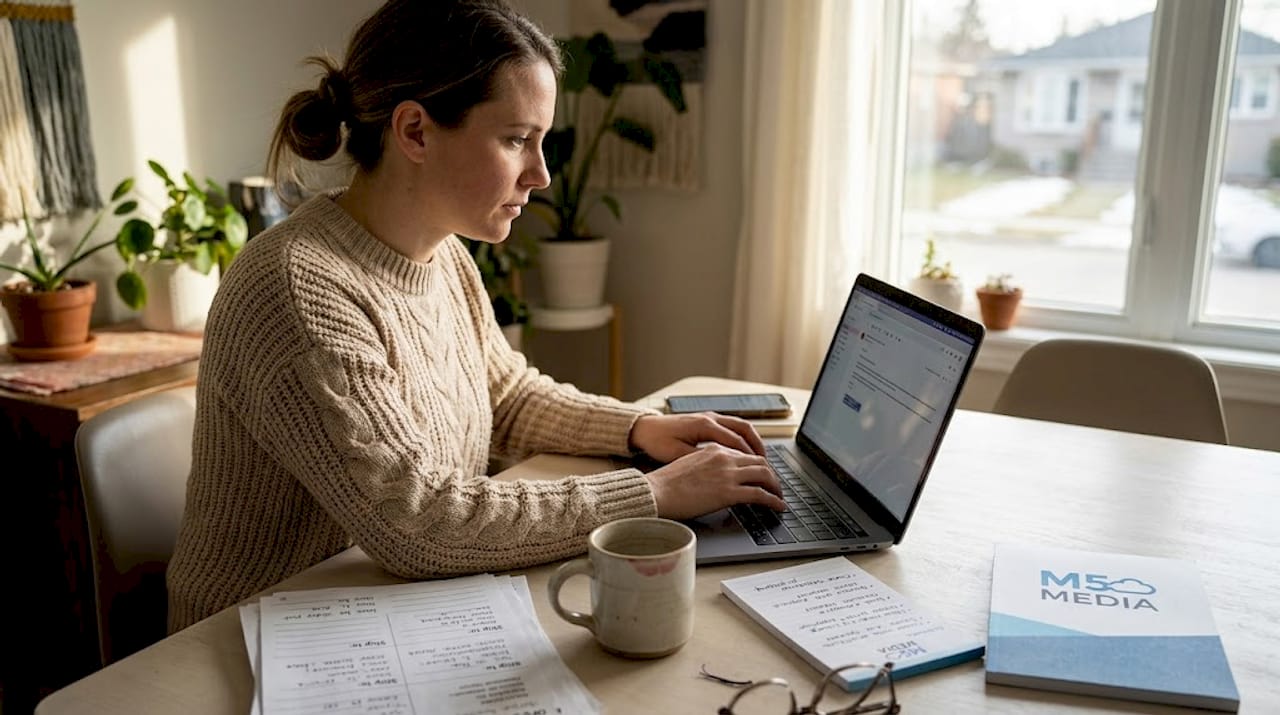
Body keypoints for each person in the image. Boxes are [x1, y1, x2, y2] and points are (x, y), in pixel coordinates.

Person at [166, 0, 785, 631]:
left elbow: (507, 398)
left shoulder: (444, 255)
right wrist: (655, 493)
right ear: (415, 132)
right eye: (516, 140)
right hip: (249, 638)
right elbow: (418, 522)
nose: (541, 175)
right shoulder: (298, 286)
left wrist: (637, 429)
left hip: (375, 607)